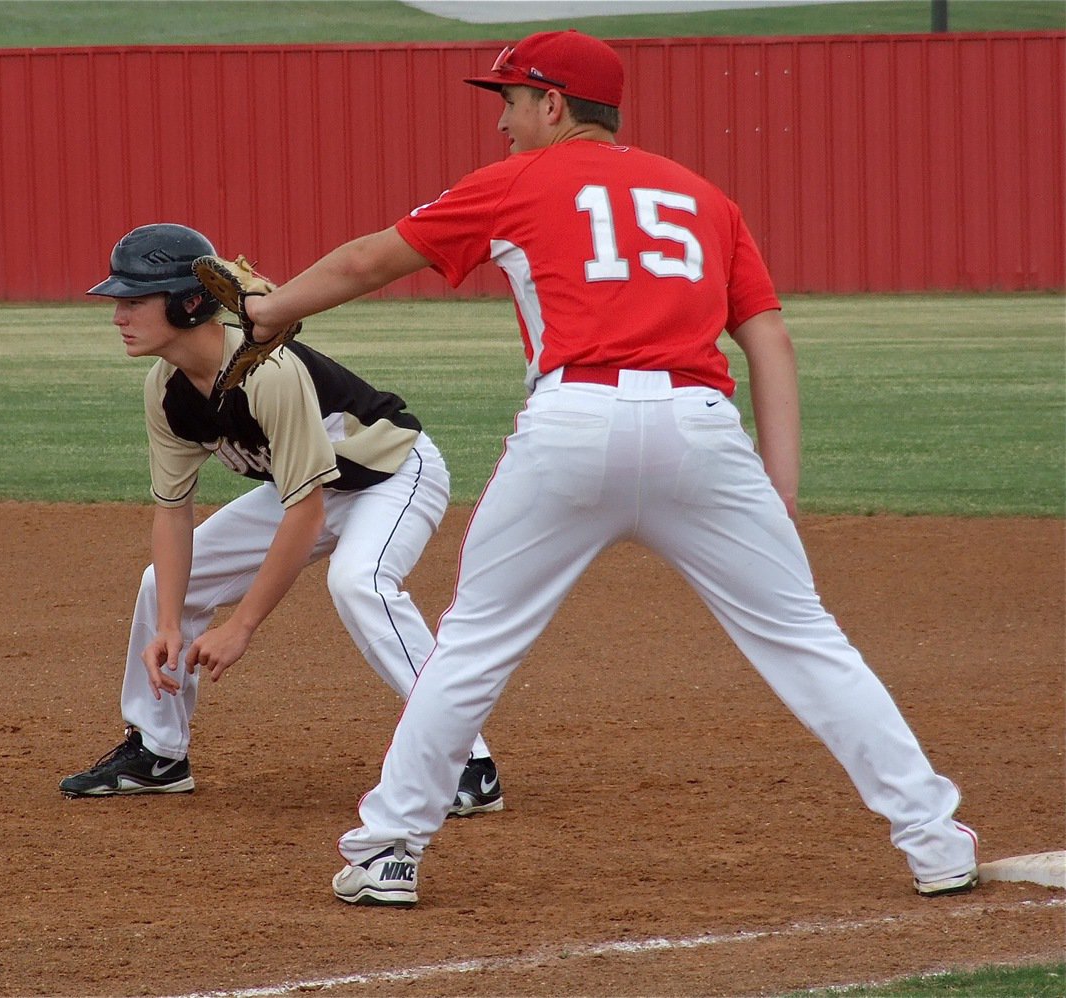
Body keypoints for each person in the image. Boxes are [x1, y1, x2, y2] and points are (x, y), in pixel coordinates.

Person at [233, 30, 979, 907]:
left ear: (554, 103)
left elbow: (368, 260)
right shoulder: (704, 196)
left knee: (472, 646)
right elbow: (767, 336)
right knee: (807, 642)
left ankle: (391, 848)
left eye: (510, 103)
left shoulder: (515, 182)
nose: (503, 126)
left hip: (573, 424)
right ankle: (934, 842)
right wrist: (776, 489)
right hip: (703, 431)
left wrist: (268, 310)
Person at [58, 222, 503, 818]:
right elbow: (173, 512)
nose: (118, 315)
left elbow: (306, 511)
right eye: (119, 300)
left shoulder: (269, 372)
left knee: (359, 583)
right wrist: (169, 621)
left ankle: (467, 762)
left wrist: (240, 626)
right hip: (309, 486)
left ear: (189, 304)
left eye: (135, 300)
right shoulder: (166, 388)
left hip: (391, 474)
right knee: (160, 584)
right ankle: (159, 753)